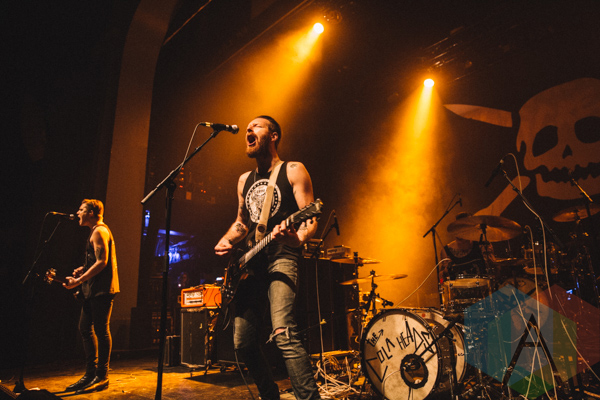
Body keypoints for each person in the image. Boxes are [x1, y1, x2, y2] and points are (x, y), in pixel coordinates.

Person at [214, 116, 320, 400]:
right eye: (248, 127)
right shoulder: (244, 180)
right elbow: (242, 222)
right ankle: (269, 395)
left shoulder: (293, 170)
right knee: (243, 342)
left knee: (283, 332)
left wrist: (297, 238)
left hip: (282, 255)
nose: (249, 129)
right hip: (251, 264)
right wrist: (227, 240)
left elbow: (310, 218)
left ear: (273, 136)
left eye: (257, 126)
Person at [63, 199, 119, 393]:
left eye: (81, 210)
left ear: (92, 213)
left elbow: (102, 261)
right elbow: (97, 260)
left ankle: (101, 376)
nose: (78, 212)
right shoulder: (97, 231)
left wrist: (78, 281)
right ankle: (90, 374)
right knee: (85, 328)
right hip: (94, 289)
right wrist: (84, 268)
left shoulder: (99, 231)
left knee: (101, 331)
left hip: (101, 290)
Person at [439, 212, 495, 282]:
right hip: (458, 288)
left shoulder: (481, 245)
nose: (459, 234)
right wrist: (445, 271)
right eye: (457, 229)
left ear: (471, 230)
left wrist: (489, 258)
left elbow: (495, 273)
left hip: (482, 287)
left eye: (463, 230)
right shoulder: (446, 251)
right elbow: (441, 281)